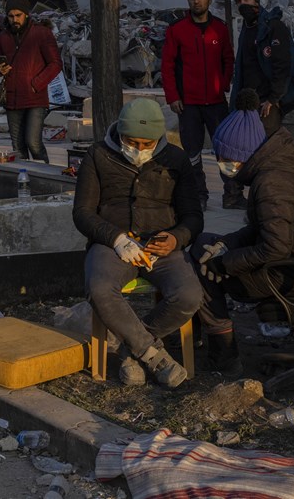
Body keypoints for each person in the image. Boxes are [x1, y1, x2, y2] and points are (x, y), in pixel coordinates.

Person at [72, 98, 202, 388]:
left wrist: (175, 238)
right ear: (120, 134)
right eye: (132, 142)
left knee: (189, 295)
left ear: (158, 139)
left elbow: (194, 217)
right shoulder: (98, 155)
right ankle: (154, 356)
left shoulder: (176, 160)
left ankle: (131, 350)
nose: (139, 150)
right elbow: (82, 213)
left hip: (161, 247)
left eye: (147, 144)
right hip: (111, 245)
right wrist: (116, 238)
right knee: (99, 288)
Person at [194, 90, 294, 373]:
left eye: (225, 159)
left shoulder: (271, 183)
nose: (222, 165)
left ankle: (224, 354)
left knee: (202, 266)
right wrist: (226, 245)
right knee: (204, 245)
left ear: (243, 156)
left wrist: (225, 264)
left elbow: (275, 247)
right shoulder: (278, 165)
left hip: (288, 275)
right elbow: (262, 228)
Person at [228, 0, 294, 206]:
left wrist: (274, 99)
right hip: (246, 102)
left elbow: (282, 65)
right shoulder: (247, 29)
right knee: (240, 148)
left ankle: (268, 196)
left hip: (267, 103)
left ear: (257, 0)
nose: (243, 4)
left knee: (265, 151)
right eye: (239, 1)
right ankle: (237, 195)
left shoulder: (273, 27)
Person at [160, 0, 232, 207]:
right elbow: (167, 66)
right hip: (188, 104)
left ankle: (232, 195)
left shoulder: (220, 28)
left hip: (216, 103)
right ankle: (199, 196)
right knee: (192, 153)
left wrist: (224, 85)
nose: (196, 1)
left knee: (226, 149)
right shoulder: (177, 29)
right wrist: (173, 96)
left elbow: (228, 59)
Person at [0, 0, 63, 163]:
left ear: (26, 14)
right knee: (17, 147)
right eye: (11, 16)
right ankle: (22, 176)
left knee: (33, 143)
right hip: (12, 98)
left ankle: (45, 173)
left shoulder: (41, 34)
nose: (14, 20)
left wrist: (36, 84)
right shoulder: (4, 37)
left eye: (18, 15)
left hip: (34, 98)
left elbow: (55, 63)